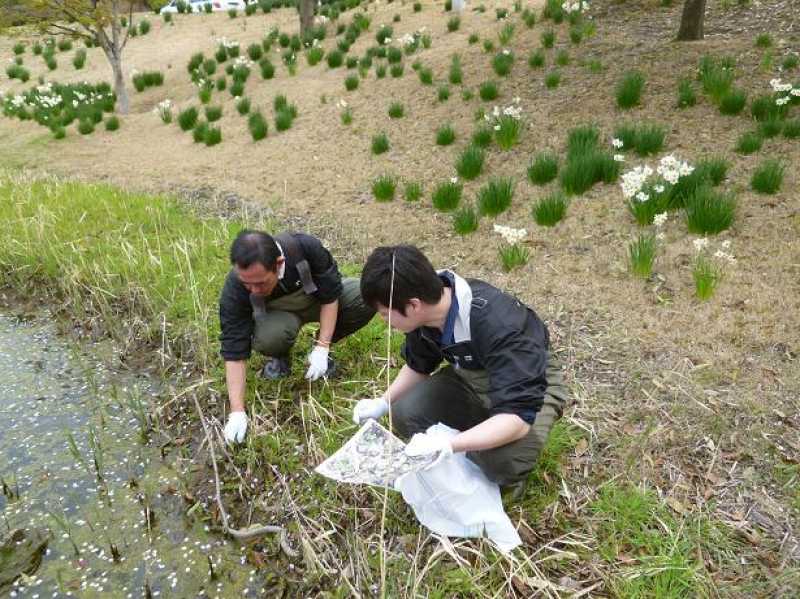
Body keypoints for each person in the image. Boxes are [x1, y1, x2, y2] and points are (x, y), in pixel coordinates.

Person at [352, 245, 569, 491]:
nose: (384, 321)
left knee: (502, 463)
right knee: (404, 412)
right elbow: (418, 365)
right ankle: (480, 432)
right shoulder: (428, 311)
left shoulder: (498, 323)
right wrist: (382, 402)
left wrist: (451, 444)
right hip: (471, 376)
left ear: (413, 305)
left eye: (384, 313)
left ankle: (493, 451)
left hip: (531, 381)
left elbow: (517, 417)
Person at [220, 230, 375, 443]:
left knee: (364, 295)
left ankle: (320, 352)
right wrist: (237, 411)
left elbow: (330, 296)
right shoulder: (236, 286)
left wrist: (322, 347)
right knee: (270, 338)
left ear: (279, 263)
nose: (254, 290)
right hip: (278, 316)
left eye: (261, 283)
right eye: (248, 284)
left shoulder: (305, 248)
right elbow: (233, 349)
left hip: (317, 301)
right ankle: (280, 356)